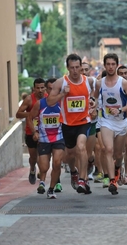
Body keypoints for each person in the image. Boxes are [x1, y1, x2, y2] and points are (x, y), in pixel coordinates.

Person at [47, 53, 94, 195]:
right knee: (69, 156)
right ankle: (74, 171)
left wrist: (94, 103)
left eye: (77, 67)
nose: (75, 70)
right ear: (67, 68)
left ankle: (82, 179)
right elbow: (49, 101)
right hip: (67, 124)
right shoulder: (61, 83)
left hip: (83, 122)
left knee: (81, 147)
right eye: (72, 68)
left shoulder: (88, 81)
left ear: (81, 67)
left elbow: (99, 91)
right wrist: (62, 95)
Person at [94, 53, 127, 195]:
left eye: (113, 64)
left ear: (117, 65)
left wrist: (120, 110)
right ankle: (112, 181)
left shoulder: (123, 83)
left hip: (121, 122)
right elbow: (94, 99)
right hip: (106, 121)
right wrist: (92, 107)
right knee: (108, 149)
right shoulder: (100, 83)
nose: (110, 67)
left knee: (118, 154)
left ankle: (118, 168)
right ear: (104, 65)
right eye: (108, 64)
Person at [26, 80, 65, 199]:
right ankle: (42, 182)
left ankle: (51, 189)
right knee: (44, 167)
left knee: (57, 163)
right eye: (49, 89)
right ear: (47, 91)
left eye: (55, 89)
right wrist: (34, 132)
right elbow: (29, 118)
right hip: (43, 139)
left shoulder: (61, 103)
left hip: (59, 137)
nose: (52, 91)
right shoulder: (40, 103)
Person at [16, 78, 47, 185]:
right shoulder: (29, 99)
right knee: (33, 156)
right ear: (34, 89)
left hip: (45, 132)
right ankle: (33, 169)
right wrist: (30, 114)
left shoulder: (49, 98)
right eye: (37, 88)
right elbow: (18, 114)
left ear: (45, 88)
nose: (40, 90)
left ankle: (42, 174)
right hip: (31, 132)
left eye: (42, 87)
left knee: (44, 155)